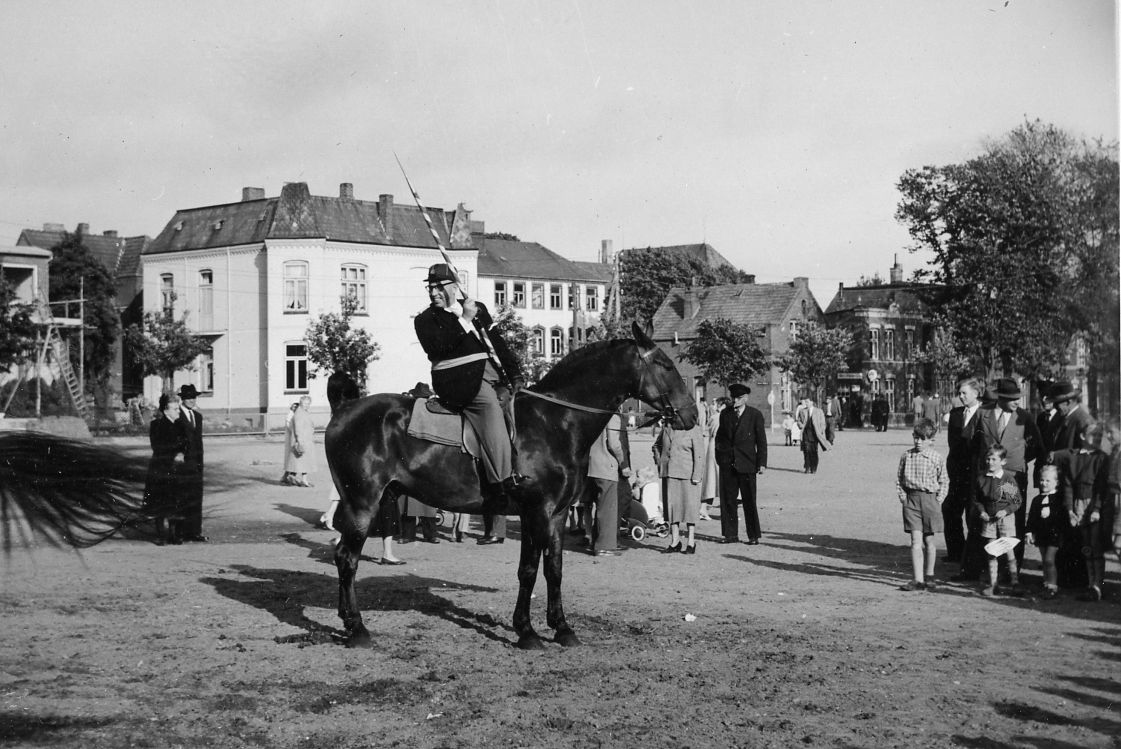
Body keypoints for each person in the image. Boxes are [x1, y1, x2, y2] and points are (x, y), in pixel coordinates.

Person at [413, 263, 525, 505]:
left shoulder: (477, 308)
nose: (433, 293)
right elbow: (439, 347)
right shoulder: (425, 320)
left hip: (491, 374)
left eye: (439, 287)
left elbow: (497, 343)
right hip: (457, 380)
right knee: (489, 408)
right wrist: (465, 319)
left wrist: (515, 376)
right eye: (430, 288)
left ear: (455, 287)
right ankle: (502, 483)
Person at [972, 378, 1042, 569]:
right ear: (1000, 398)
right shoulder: (982, 413)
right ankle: (988, 567)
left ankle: (1011, 570)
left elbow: (1037, 445)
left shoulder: (1025, 417)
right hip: (988, 476)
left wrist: (1017, 461)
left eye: (1018, 398)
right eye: (1012, 399)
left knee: (1013, 520)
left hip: (1013, 476)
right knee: (986, 519)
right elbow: (971, 443)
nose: (1017, 402)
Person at [895, 418, 950, 591]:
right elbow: (899, 479)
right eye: (916, 437)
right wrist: (903, 498)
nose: (918, 442)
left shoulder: (936, 457)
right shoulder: (907, 455)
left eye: (922, 439)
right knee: (915, 541)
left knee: (929, 541)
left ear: (931, 440)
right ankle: (917, 580)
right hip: (911, 501)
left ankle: (930, 575)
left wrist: (938, 500)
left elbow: (944, 481)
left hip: (930, 501)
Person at [1058, 422, 1110, 601]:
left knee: (1095, 546)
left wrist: (1096, 509)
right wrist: (1070, 509)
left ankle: (1098, 585)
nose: (1097, 438)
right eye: (1093, 435)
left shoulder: (1102, 458)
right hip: (1078, 505)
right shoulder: (1074, 457)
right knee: (1086, 546)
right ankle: (1090, 583)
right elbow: (1068, 485)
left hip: (1093, 504)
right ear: (1082, 437)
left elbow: (1101, 487)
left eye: (1100, 435)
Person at [714, 383, 767, 545]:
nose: (735, 401)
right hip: (728, 464)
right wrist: (721, 459)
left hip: (747, 464)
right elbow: (720, 438)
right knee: (728, 501)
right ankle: (730, 535)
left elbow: (761, 441)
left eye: (738, 398)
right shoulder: (725, 414)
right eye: (733, 398)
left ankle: (753, 536)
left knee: (749, 501)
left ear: (745, 398)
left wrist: (762, 463)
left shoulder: (755, 415)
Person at [944, 376, 984, 571]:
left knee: (972, 514)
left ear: (976, 393)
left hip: (976, 473)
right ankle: (956, 552)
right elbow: (952, 444)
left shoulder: (985, 414)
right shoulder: (955, 414)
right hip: (958, 473)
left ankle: (973, 556)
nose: (961, 396)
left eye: (964, 393)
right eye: (959, 393)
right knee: (950, 509)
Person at [973, 445, 1022, 597]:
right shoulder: (982, 478)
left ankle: (1015, 583)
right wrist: (982, 512)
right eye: (988, 459)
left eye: (994, 459)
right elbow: (977, 500)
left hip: (1005, 519)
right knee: (992, 550)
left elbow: (1016, 501)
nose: (990, 462)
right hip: (989, 519)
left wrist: (1005, 511)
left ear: (1003, 461)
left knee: (1008, 550)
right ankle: (993, 584)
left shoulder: (1006, 479)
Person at [653, 412, 703, 554]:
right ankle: (675, 542)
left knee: (689, 509)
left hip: (688, 475)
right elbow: (656, 446)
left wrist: (697, 475)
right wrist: (660, 462)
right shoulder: (667, 429)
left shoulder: (694, 430)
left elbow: (699, 455)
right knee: (672, 509)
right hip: (669, 475)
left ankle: (691, 542)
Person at [144, 392, 190, 546]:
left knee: (176, 502)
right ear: (165, 410)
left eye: (178, 408)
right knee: (160, 503)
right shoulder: (156, 425)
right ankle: (161, 535)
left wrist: (182, 453)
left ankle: (174, 534)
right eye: (175, 409)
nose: (178, 411)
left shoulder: (181, 425)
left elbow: (186, 444)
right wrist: (174, 455)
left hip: (177, 468)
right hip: (161, 468)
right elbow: (157, 446)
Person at [586, 413, 631, 556]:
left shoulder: (596, 414)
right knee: (608, 509)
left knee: (600, 507)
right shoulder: (613, 417)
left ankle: (596, 542)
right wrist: (623, 463)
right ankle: (604, 547)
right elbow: (614, 444)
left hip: (593, 466)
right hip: (607, 466)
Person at [1026, 465, 1064, 600]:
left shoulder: (1059, 498)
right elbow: (1031, 518)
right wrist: (1029, 532)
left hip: (1054, 535)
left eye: (1048, 481)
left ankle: (1053, 586)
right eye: (1042, 480)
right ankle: (1046, 583)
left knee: (1049, 560)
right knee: (1044, 560)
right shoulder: (1036, 499)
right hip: (1041, 535)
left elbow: (1061, 518)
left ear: (1056, 482)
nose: (1044, 483)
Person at [177, 384, 207, 543]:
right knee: (183, 497)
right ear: (182, 399)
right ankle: (180, 532)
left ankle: (195, 531)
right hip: (183, 464)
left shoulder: (197, 416)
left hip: (196, 463)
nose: (191, 400)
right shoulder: (177, 415)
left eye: (193, 397)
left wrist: (200, 463)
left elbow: (198, 442)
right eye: (188, 397)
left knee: (196, 497)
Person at [698, 398, 726, 521]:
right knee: (722, 481)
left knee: (711, 481)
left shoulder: (714, 417)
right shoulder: (722, 417)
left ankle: (703, 509)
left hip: (712, 446)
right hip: (720, 448)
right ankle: (726, 512)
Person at [1050, 380, 1091, 453]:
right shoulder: (1062, 417)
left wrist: (1058, 456)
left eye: (1057, 403)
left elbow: (1086, 453)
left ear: (1069, 401)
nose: (1055, 407)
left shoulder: (1083, 420)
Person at [284, 395, 316, 487]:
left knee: (302, 462)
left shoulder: (304, 412)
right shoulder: (299, 413)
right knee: (302, 462)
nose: (307, 405)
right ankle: (302, 480)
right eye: (305, 403)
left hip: (306, 440)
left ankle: (296, 478)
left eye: (308, 403)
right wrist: (300, 441)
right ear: (301, 403)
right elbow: (298, 429)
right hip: (302, 441)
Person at [799, 396, 830, 474]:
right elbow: (798, 421)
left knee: (813, 451)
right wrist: (800, 425)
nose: (806, 403)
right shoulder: (802, 411)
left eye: (807, 402)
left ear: (812, 402)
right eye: (805, 402)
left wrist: (821, 430)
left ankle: (814, 467)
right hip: (806, 433)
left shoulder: (819, 411)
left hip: (815, 434)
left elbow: (823, 423)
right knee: (806, 450)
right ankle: (807, 467)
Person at [281, 402, 299, 485]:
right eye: (293, 406)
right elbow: (290, 427)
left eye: (296, 407)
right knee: (293, 459)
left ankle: (285, 477)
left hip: (294, 439)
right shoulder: (290, 416)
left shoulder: (295, 415)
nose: (294, 408)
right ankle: (290, 477)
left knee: (292, 459)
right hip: (292, 440)